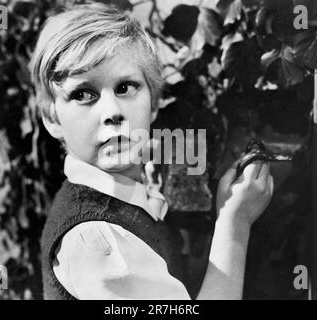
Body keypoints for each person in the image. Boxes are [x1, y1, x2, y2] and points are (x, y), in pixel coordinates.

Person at [30, 2, 274, 300]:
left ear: (155, 103)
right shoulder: (98, 237)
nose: (112, 112)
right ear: (53, 119)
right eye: (83, 94)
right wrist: (235, 223)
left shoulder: (124, 198)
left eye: (125, 88)